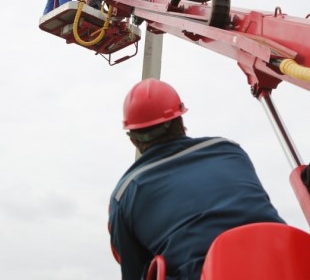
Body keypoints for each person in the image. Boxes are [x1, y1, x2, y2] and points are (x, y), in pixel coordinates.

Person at [109, 79, 285, 280]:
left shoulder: (125, 194)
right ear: (181, 121)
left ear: (133, 139)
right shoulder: (230, 151)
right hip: (287, 265)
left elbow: (134, 270)